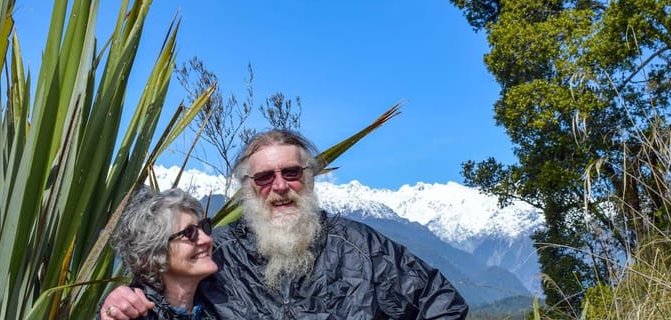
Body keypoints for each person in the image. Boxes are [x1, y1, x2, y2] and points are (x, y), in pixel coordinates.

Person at [100, 129, 468, 319]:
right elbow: (157, 291)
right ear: (247, 188)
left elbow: (443, 304)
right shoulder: (217, 252)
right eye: (264, 178)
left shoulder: (361, 247)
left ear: (309, 177)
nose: (279, 186)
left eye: (291, 172)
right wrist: (115, 301)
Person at [103, 188, 218, 319]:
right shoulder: (132, 315)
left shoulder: (218, 308)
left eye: (204, 227)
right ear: (152, 253)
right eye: (189, 233)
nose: (206, 239)